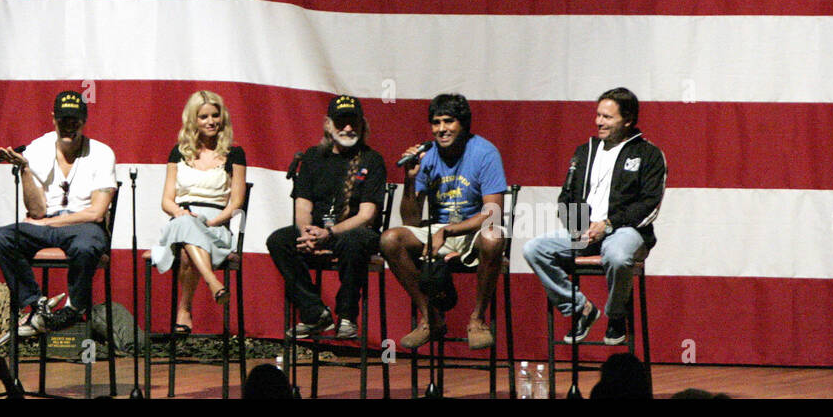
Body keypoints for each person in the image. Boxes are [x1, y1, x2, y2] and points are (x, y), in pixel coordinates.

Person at [523, 87, 667, 346]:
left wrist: (608, 225)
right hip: (585, 232)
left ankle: (616, 315)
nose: (599, 122)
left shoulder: (649, 154)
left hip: (625, 231)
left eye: (608, 117)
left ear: (628, 120)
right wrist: (580, 227)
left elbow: (649, 205)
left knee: (618, 256)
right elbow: (565, 198)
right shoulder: (584, 151)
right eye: (598, 115)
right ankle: (581, 309)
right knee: (534, 249)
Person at [0, 90, 116, 342]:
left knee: (86, 246)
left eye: (75, 120)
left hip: (83, 224)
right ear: (53, 119)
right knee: (0, 239)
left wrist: (48, 223)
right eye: (64, 119)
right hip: (46, 223)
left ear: (84, 120)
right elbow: (36, 211)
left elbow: (97, 212)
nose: (69, 126)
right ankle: (36, 305)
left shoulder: (101, 153)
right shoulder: (38, 149)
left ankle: (74, 308)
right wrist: (24, 168)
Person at [380, 93, 506, 350]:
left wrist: (448, 231)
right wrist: (410, 178)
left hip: (474, 228)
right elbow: (411, 219)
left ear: (463, 124)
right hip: (438, 230)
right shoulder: (427, 156)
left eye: (448, 121)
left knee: (494, 237)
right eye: (436, 123)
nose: (441, 129)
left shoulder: (484, 152)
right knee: (390, 239)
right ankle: (430, 317)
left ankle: (478, 318)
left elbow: (493, 213)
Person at [266, 94, 386, 340]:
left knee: (354, 241)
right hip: (318, 230)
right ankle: (315, 313)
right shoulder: (312, 157)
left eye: (353, 122)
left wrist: (329, 234)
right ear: (328, 124)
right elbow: (302, 205)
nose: (348, 128)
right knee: (279, 240)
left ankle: (346, 316)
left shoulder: (372, 160)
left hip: (351, 233)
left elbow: (367, 215)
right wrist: (306, 232)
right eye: (341, 122)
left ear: (362, 124)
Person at [149, 90, 247, 333]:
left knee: (186, 251)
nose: (211, 121)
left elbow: (236, 203)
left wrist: (212, 223)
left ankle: (184, 309)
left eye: (215, 115)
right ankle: (214, 283)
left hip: (215, 225)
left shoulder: (235, 154)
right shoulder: (178, 153)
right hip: (183, 218)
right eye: (204, 117)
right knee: (185, 225)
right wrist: (182, 215)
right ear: (193, 120)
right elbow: (167, 201)